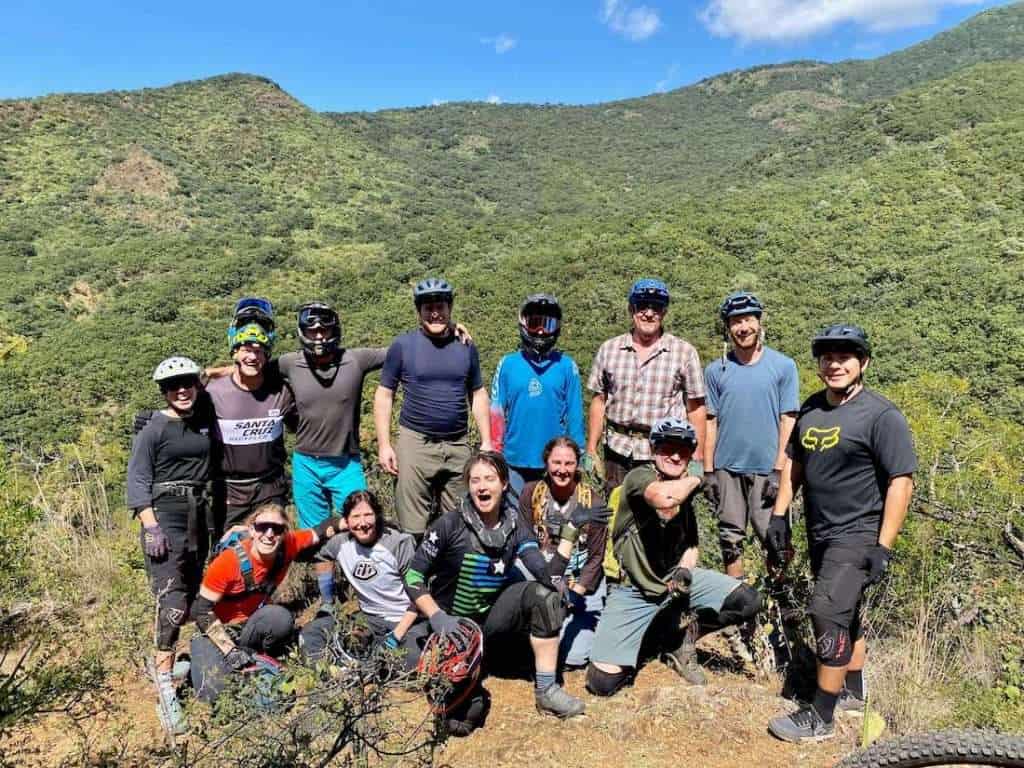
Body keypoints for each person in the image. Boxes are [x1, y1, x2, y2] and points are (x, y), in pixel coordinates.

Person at [767, 324, 916, 742]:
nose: (834, 364)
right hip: (821, 531)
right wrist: (780, 517)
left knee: (827, 612)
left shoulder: (882, 416)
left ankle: (822, 714)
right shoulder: (812, 408)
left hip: (858, 533)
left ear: (863, 362)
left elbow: (900, 482)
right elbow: (793, 465)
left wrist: (883, 545)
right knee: (846, 614)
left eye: (845, 356)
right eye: (827, 357)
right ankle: (851, 692)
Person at [404, 451, 590, 728]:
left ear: (504, 484)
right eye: (475, 480)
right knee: (460, 720)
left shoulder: (515, 524)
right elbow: (412, 575)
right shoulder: (448, 525)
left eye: (489, 479)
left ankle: (547, 691)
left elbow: (543, 572)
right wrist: (436, 616)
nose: (482, 486)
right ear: (467, 486)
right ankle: (474, 666)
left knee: (546, 595)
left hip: (492, 619)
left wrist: (571, 531)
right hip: (451, 626)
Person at [585, 418, 762, 698]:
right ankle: (648, 636)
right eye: (668, 448)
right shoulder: (640, 478)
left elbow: (691, 542)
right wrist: (698, 476)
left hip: (672, 582)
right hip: (633, 590)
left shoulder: (684, 488)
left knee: (747, 600)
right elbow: (664, 499)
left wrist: (685, 570)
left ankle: (681, 639)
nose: (676, 456)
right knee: (601, 684)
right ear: (654, 449)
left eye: (684, 449)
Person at [127, 356, 212, 733]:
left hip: (199, 516)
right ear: (163, 390)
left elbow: (225, 373)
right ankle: (165, 688)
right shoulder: (153, 429)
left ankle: (168, 662)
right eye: (173, 385)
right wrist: (150, 526)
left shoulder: (202, 420)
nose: (182, 389)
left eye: (188, 382)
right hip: (165, 516)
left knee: (193, 596)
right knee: (172, 600)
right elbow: (138, 478)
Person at [189, 501, 342, 703]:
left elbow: (322, 530)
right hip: (216, 631)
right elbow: (202, 611)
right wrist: (230, 651)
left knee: (280, 618)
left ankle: (252, 660)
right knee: (211, 693)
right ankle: (210, 663)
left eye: (277, 529)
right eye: (262, 527)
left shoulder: (289, 544)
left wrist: (362, 522)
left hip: (251, 625)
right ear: (252, 530)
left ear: (284, 532)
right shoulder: (228, 562)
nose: (269, 534)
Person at [374, 278, 492, 538]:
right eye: (428, 308)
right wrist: (384, 444)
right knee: (412, 527)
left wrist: (486, 440)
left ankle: (451, 577)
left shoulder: (465, 346)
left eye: (440, 306)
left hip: (458, 443)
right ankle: (414, 577)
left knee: (461, 523)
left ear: (450, 308)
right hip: (415, 443)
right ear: (419, 311)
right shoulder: (403, 346)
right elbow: (384, 394)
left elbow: (477, 393)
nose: (435, 313)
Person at [703, 291, 800, 579]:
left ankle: (782, 604)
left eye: (747, 320)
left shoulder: (783, 366)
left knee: (775, 538)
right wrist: (709, 471)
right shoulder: (715, 370)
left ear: (759, 322)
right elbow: (711, 421)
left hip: (766, 468)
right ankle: (739, 608)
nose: (742, 327)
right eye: (735, 321)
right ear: (727, 327)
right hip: (727, 468)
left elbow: (788, 420)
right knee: (730, 540)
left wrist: (779, 470)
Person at [585, 278, 707, 494]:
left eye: (656, 307)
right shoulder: (609, 349)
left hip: (664, 452)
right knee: (615, 514)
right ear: (632, 309)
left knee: (662, 517)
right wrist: (591, 449)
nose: (649, 313)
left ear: (664, 311)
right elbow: (599, 400)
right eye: (642, 305)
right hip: (617, 450)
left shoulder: (684, 353)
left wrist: (697, 458)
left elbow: (696, 408)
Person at [281, 302, 386, 528]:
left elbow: (401, 350)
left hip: (345, 463)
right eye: (312, 331)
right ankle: (326, 566)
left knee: (361, 524)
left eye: (324, 330)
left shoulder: (356, 359)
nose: (318, 336)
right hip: (306, 463)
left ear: (334, 330)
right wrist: (213, 373)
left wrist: (449, 329)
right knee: (315, 534)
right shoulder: (290, 363)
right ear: (303, 332)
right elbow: (252, 369)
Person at [300, 490, 423, 669]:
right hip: (368, 617)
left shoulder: (398, 543)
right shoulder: (340, 543)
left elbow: (419, 596)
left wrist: (397, 634)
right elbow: (316, 556)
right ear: (346, 521)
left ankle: (365, 666)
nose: (363, 523)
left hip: (405, 619)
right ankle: (336, 672)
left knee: (412, 659)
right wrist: (327, 600)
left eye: (368, 515)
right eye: (356, 516)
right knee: (312, 632)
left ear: (378, 516)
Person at [519, 436, 609, 668]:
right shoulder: (531, 493)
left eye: (569, 463)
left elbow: (596, 558)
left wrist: (575, 594)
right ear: (546, 463)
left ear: (577, 465)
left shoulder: (593, 502)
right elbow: (525, 540)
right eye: (556, 463)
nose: (562, 470)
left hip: (578, 580)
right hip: (543, 570)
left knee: (574, 657)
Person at [490, 294, 585, 495]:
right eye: (535, 324)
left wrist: (579, 459)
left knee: (550, 521)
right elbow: (496, 412)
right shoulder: (507, 364)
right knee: (515, 519)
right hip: (514, 461)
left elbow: (575, 416)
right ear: (524, 324)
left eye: (548, 324)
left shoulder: (567, 366)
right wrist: (494, 455)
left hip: (554, 464)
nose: (541, 330)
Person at [206, 317, 295, 531]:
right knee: (228, 556)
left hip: (271, 490)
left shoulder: (282, 392)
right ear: (234, 352)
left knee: (272, 555)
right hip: (229, 495)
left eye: (259, 351)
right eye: (246, 350)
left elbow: (304, 426)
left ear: (267, 355)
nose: (253, 356)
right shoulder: (212, 393)